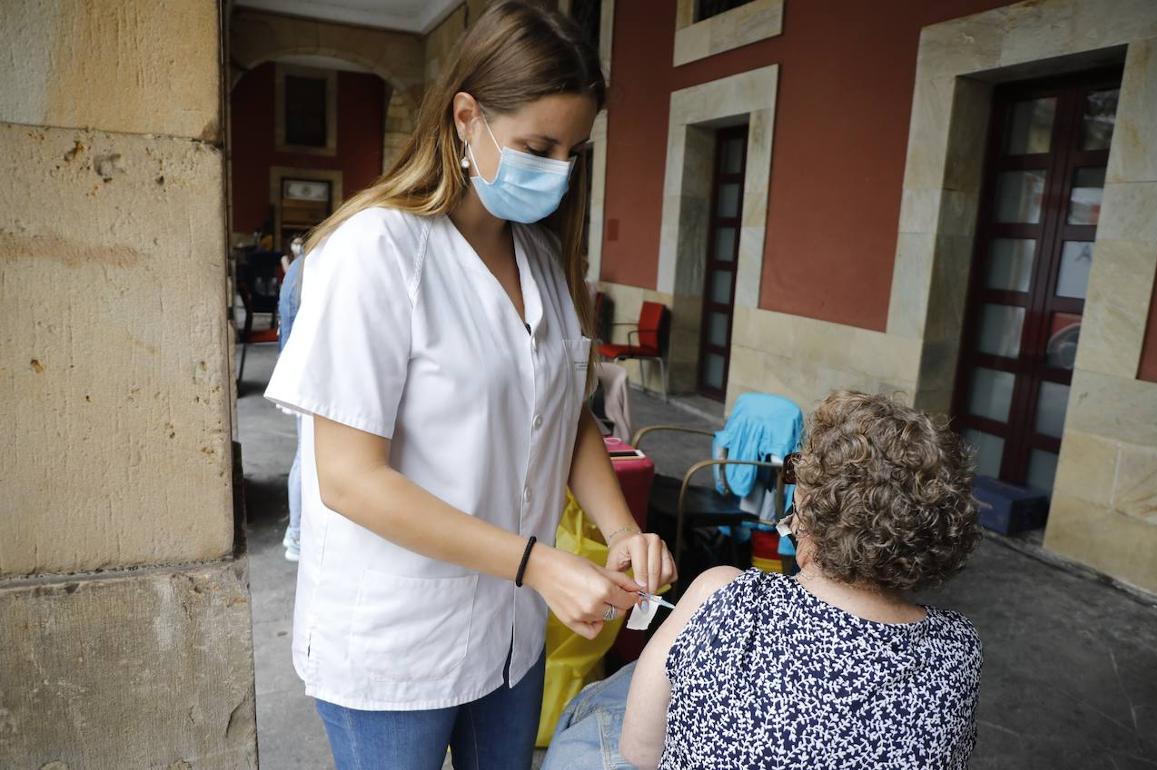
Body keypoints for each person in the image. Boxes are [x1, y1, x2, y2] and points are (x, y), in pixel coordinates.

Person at [263, 4, 676, 768]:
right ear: (466, 117)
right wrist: (539, 563)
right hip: (395, 640)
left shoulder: (542, 262)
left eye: (573, 151)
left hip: (510, 629)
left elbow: (566, 411)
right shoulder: (376, 252)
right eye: (537, 146)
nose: (556, 170)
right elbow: (350, 481)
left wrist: (622, 533)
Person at [545, 391, 983, 769]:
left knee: (600, 700)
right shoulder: (960, 648)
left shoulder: (725, 595)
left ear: (808, 509)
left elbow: (640, 753)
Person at [276, 236, 305, 562]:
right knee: (305, 456)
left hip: (295, 369)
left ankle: (296, 532)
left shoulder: (296, 267)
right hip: (309, 373)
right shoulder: (311, 268)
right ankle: (297, 533)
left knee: (303, 455)